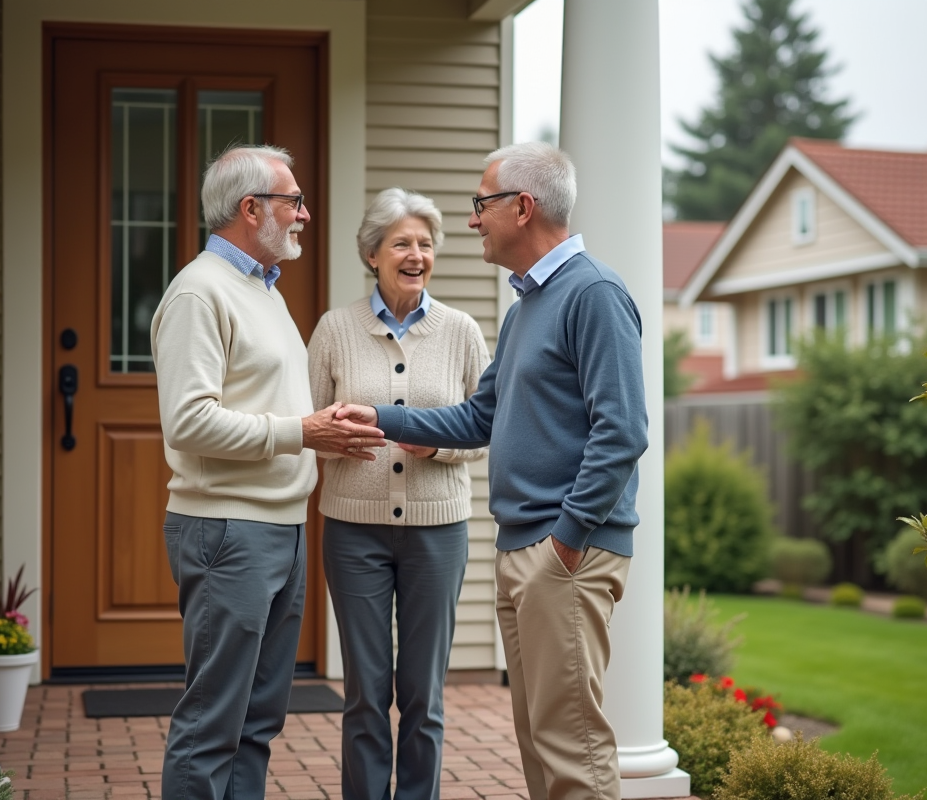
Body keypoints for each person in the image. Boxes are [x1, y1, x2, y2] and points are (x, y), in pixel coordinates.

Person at [336, 142, 648, 800]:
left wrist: (565, 540)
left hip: (564, 553)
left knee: (572, 745)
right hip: (526, 549)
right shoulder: (528, 306)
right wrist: (379, 417)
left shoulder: (592, 293)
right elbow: (479, 419)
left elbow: (622, 431)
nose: (473, 219)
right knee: (539, 739)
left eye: (483, 204)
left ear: (523, 207)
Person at [151, 144, 386, 800]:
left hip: (279, 530)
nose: (305, 215)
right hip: (228, 532)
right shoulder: (200, 293)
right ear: (251, 209)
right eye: (295, 202)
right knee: (213, 723)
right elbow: (190, 423)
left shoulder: (262, 291)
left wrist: (325, 439)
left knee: (257, 721)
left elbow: (266, 409)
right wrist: (300, 432)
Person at [307, 188, 490, 800]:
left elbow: (487, 428)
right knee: (365, 689)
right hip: (353, 531)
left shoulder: (461, 332)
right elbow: (307, 425)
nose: (416, 255)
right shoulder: (335, 329)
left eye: (425, 244)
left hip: (438, 534)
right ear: (373, 255)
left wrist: (436, 445)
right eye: (401, 244)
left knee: (422, 691)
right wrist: (337, 440)